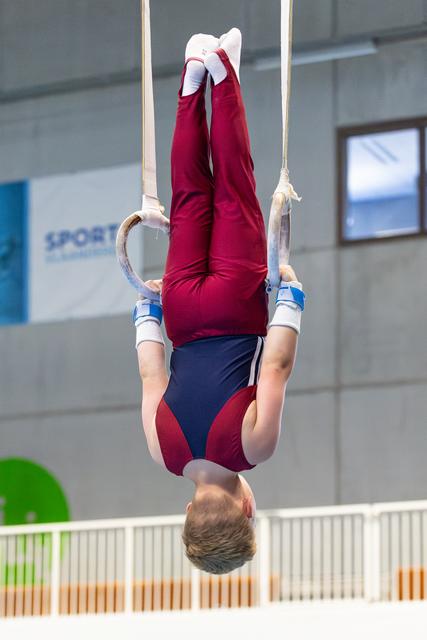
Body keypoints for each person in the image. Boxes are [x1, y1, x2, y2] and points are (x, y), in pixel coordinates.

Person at [133, 28, 305, 575]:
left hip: (236, 306)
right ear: (188, 510)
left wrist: (291, 299)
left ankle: (223, 72)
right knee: (189, 195)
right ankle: (190, 84)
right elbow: (148, 373)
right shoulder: (164, 453)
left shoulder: (252, 447)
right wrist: (147, 311)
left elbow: (275, 366)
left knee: (233, 186)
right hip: (181, 315)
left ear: (246, 508)